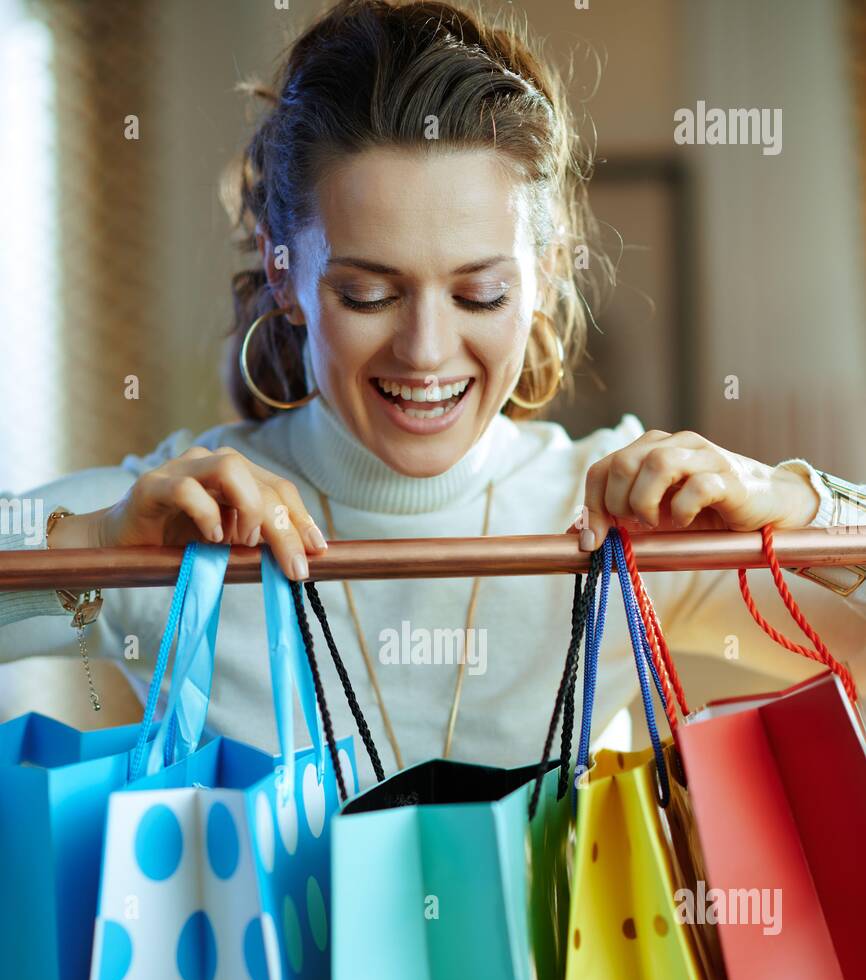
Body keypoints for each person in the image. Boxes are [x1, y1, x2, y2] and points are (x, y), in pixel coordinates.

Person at [1, 0, 864, 790]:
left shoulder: (623, 526)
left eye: (479, 294)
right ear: (283, 271)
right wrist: (95, 544)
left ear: (550, 269)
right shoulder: (178, 523)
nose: (424, 350)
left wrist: (788, 503)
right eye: (368, 294)